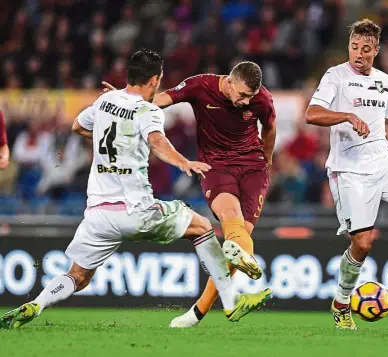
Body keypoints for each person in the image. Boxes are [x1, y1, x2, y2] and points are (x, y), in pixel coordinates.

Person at [0, 49, 272, 330]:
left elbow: (77, 126)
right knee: (202, 228)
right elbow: (156, 141)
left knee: (78, 276)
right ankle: (230, 302)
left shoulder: (106, 100)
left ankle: (38, 302)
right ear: (155, 80)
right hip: (136, 209)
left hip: (97, 214)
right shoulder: (148, 111)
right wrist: (183, 162)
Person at [102, 60, 277, 328]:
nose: (244, 102)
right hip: (216, 166)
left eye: (249, 97)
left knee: (241, 238)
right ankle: (222, 288)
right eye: (241, 95)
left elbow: (270, 127)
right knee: (233, 223)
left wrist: (266, 161)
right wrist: (128, 101)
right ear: (229, 81)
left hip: (253, 169)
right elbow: (163, 99)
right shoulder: (201, 85)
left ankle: (203, 310)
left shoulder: (262, 99)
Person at [305, 19, 388, 330]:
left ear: (376, 50)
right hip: (349, 171)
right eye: (354, 47)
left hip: (383, 163)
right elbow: (312, 114)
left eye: (366, 49)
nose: (358, 54)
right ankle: (341, 303)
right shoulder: (335, 76)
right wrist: (348, 116)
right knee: (363, 244)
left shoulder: (385, 81)